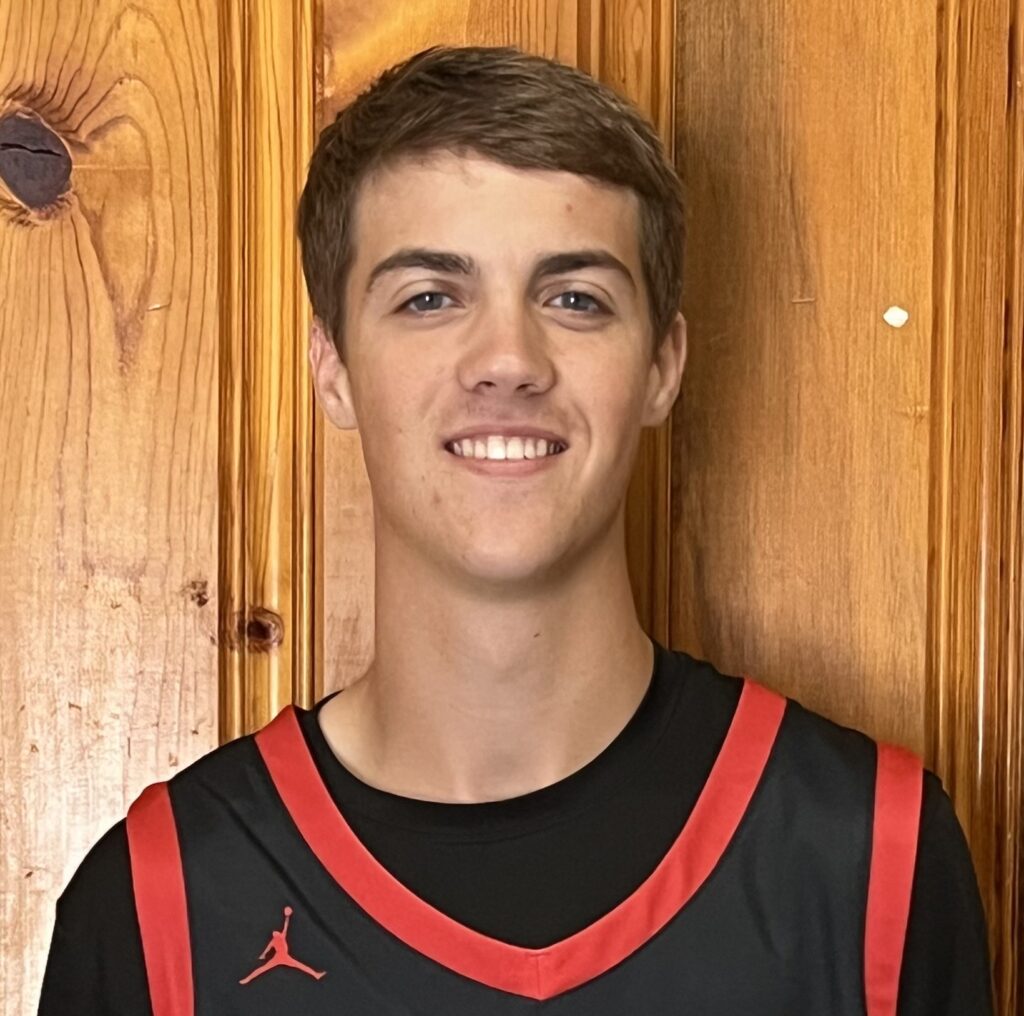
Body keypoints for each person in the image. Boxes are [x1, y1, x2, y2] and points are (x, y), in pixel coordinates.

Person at [38, 44, 993, 1015]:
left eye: (575, 299)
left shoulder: (869, 853)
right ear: (333, 368)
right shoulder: (160, 903)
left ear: (661, 366)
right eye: (429, 298)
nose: (507, 358)